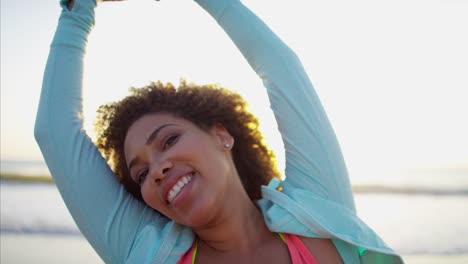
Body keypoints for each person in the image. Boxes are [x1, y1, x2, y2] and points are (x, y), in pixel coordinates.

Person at [35, 0, 403, 263]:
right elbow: (54, 133)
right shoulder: (142, 251)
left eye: (169, 140)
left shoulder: (318, 216)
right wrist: (78, 12)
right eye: (142, 173)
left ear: (221, 135)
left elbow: (281, 68)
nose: (158, 169)